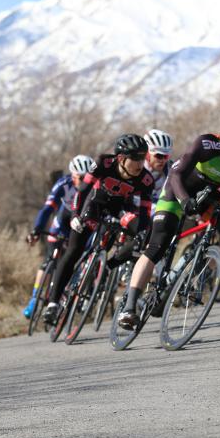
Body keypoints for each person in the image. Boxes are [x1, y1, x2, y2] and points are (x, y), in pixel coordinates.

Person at [118, 113, 220, 330]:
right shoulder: (208, 144)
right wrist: (185, 201)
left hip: (206, 195)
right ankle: (129, 307)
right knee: (157, 246)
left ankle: (205, 267)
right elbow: (176, 175)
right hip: (176, 190)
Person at [43, 134, 155, 325]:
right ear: (121, 158)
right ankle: (53, 303)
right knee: (74, 250)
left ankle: (109, 265)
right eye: (135, 159)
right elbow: (83, 190)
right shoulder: (104, 163)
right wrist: (77, 216)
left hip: (120, 210)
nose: (140, 164)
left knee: (145, 236)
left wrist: (142, 232)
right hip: (93, 206)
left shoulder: (146, 179)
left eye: (143, 158)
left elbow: (144, 212)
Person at [23, 155, 94, 318]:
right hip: (63, 222)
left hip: (81, 224)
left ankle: (72, 290)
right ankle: (34, 299)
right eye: (80, 178)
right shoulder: (64, 184)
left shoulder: (93, 187)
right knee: (49, 260)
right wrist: (37, 229)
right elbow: (47, 209)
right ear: (73, 175)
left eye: (87, 178)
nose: (84, 182)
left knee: (80, 255)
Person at [143, 129, 174, 212]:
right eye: (159, 156)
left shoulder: (170, 168)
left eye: (166, 156)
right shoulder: (138, 168)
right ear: (147, 153)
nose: (163, 160)